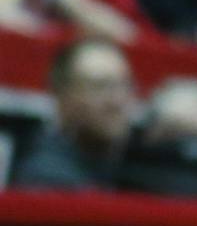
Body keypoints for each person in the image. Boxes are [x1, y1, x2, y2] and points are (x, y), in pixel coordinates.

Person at [11, 38, 135, 190]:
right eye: (99, 86)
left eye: (125, 85)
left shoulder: (129, 167)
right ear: (61, 94)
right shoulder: (44, 179)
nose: (117, 101)